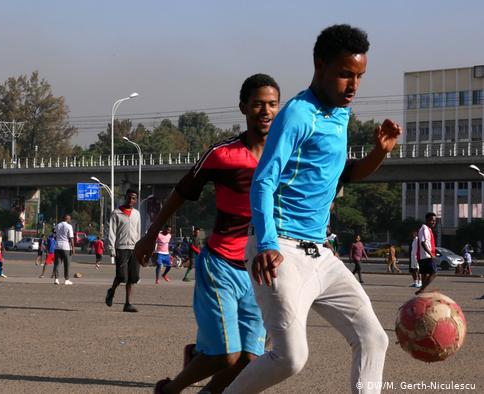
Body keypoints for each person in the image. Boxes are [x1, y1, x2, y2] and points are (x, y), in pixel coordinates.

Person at [228, 25, 400, 393]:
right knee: (291, 358)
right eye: (344, 74)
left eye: (359, 77)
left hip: (321, 253)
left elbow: (345, 175)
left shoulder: (340, 115)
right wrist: (268, 243)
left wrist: (379, 153)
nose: (353, 85)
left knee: (374, 338)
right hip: (281, 250)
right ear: (319, 65)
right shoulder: (298, 115)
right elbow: (264, 180)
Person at [135, 73, 281, 394]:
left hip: (260, 273)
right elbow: (181, 193)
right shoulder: (222, 154)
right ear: (243, 106)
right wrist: (150, 234)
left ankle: (203, 372)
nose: (266, 111)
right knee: (226, 356)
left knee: (250, 359)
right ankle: (170, 389)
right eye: (258, 104)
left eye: (272, 104)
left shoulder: (285, 155)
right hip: (222, 265)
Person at [105, 189, 141, 313]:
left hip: (134, 248)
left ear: (136, 200)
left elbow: (138, 232)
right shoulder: (116, 213)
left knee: (133, 277)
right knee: (121, 276)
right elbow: (112, 233)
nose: (131, 200)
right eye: (129, 197)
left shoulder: (137, 214)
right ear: (125, 197)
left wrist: (140, 248)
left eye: (134, 198)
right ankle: (112, 291)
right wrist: (112, 249)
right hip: (121, 248)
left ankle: (128, 304)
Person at [416, 212, 438, 295]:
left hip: (424, 256)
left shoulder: (428, 229)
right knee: (434, 273)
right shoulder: (424, 229)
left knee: (424, 275)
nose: (433, 222)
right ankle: (422, 289)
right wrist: (431, 254)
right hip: (426, 256)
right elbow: (423, 243)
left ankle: (422, 292)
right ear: (427, 220)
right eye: (432, 220)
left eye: (435, 221)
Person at [53, 214, 74, 285]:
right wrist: (73, 248)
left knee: (57, 264)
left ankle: (56, 279)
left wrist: (58, 242)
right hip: (66, 247)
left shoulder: (57, 225)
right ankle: (66, 280)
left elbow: (54, 235)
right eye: (70, 219)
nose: (70, 220)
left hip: (57, 246)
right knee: (67, 264)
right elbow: (71, 238)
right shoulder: (69, 226)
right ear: (67, 219)